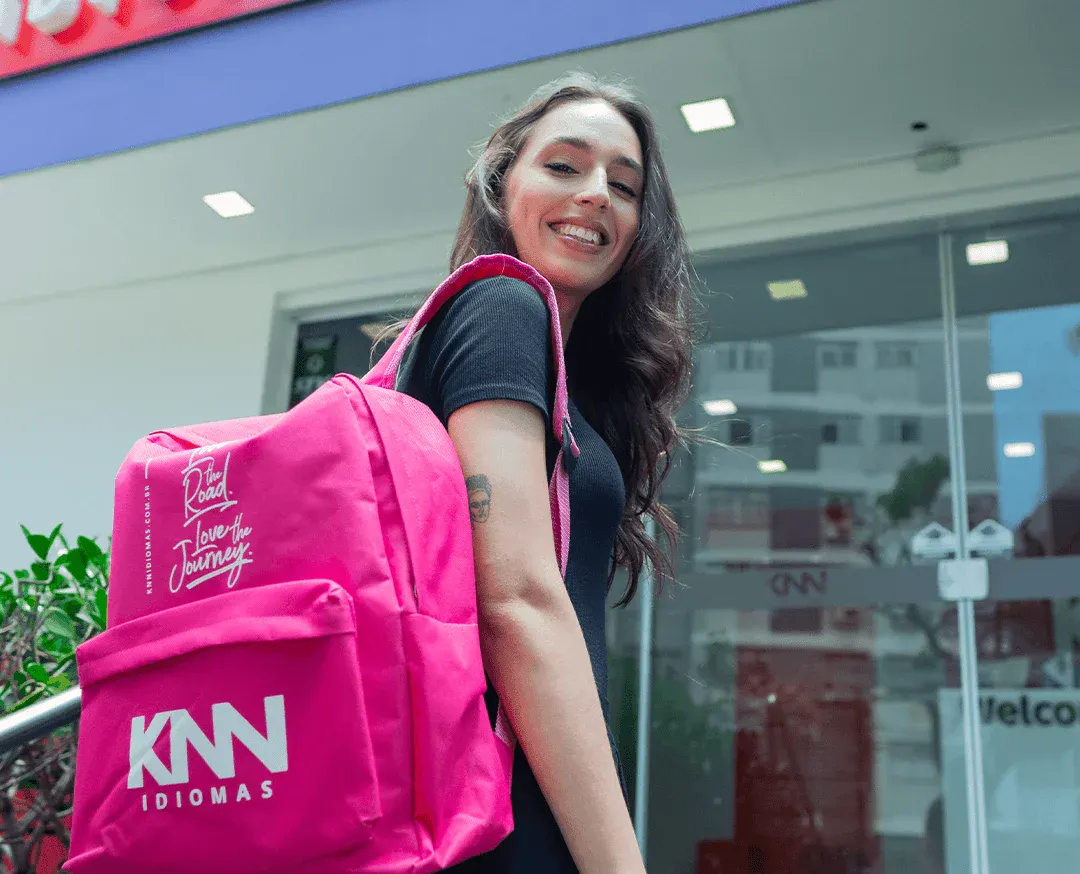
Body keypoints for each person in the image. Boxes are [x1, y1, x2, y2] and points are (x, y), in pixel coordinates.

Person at [397, 72, 696, 874]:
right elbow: (518, 603)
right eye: (564, 166)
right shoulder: (502, 307)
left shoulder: (561, 371)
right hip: (495, 813)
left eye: (623, 186)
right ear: (501, 185)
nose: (596, 193)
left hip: (502, 799)